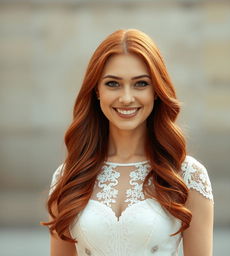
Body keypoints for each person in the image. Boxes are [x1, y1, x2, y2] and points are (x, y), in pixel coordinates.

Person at [42, 28, 214, 256]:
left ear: (156, 91)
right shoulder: (69, 175)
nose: (126, 98)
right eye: (113, 84)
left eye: (140, 84)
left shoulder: (188, 175)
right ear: (96, 91)